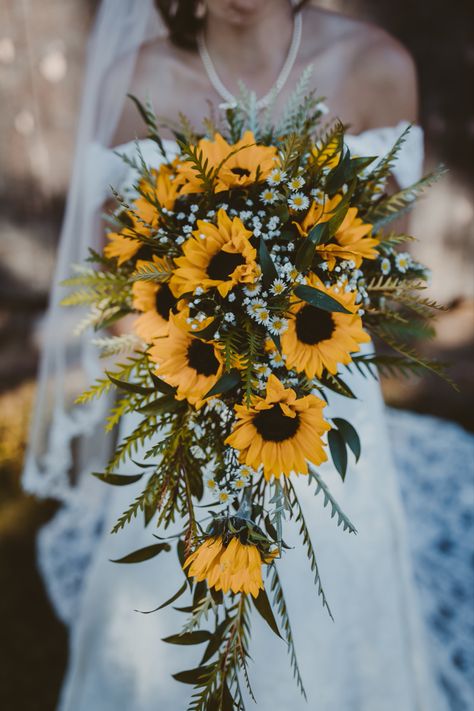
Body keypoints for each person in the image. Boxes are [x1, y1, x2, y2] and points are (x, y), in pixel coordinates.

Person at [24, 1, 474, 709]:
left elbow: (389, 267)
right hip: (186, 408)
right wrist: (202, 323)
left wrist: (289, 310)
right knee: (172, 625)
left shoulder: (376, 68)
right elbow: (108, 276)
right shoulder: (135, 79)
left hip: (319, 408)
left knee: (326, 616)